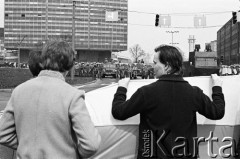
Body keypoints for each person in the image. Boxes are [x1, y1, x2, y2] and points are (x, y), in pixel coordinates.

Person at [111, 45, 225, 159]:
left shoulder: (146, 92)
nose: (153, 67)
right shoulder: (194, 93)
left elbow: (119, 112)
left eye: (155, 63)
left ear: (167, 66)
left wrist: (122, 88)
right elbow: (217, 112)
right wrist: (217, 88)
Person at [0, 40, 101, 159]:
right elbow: (91, 145)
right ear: (69, 65)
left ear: (43, 61)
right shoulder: (72, 96)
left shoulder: (19, 91)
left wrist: (26, 147)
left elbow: (3, 134)